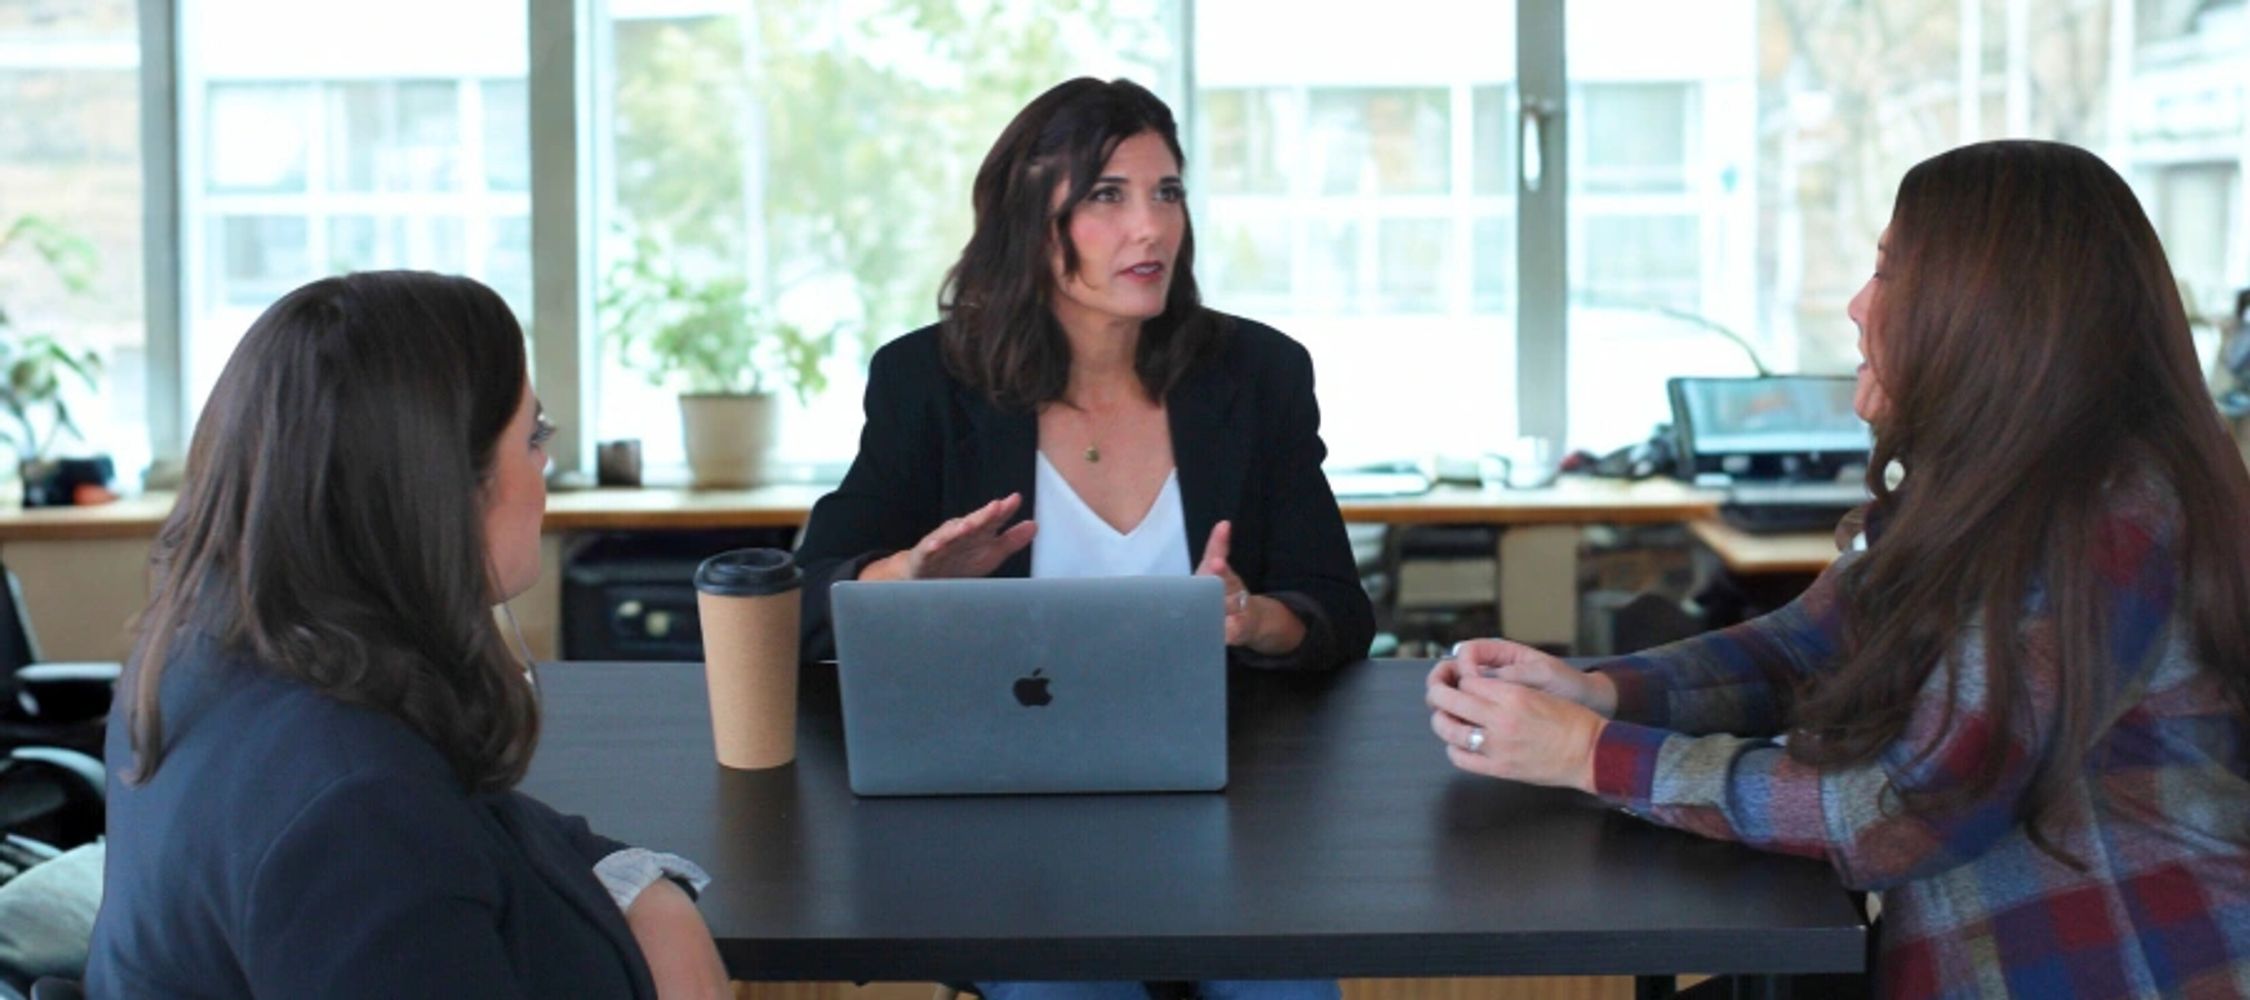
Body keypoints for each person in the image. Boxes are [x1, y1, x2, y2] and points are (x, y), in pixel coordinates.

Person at [1428, 139, 2250, 997]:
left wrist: (1595, 756)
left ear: (1992, 307)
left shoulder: (2101, 516)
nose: (1859, 306)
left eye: (1891, 274)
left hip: (2116, 967)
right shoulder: (1995, 483)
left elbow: (1899, 812)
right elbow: (1811, 644)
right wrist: (1600, 693)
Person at [794, 78, 1372, 999]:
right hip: (1006, 813)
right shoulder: (927, 382)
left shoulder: (1257, 373)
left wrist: (1253, 617)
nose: (1151, 228)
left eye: (1167, 192)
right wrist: (910, 576)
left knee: (1285, 988)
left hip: (1226, 809)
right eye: (1108, 195)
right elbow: (801, 605)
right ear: (1029, 217)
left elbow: (1339, 612)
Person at [86, 272, 732, 998]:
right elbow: (399, 818)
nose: (545, 466)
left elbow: (496, 825)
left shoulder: (217, 660)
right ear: (439, 484)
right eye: (534, 437)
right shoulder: (359, 814)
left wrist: (644, 888)